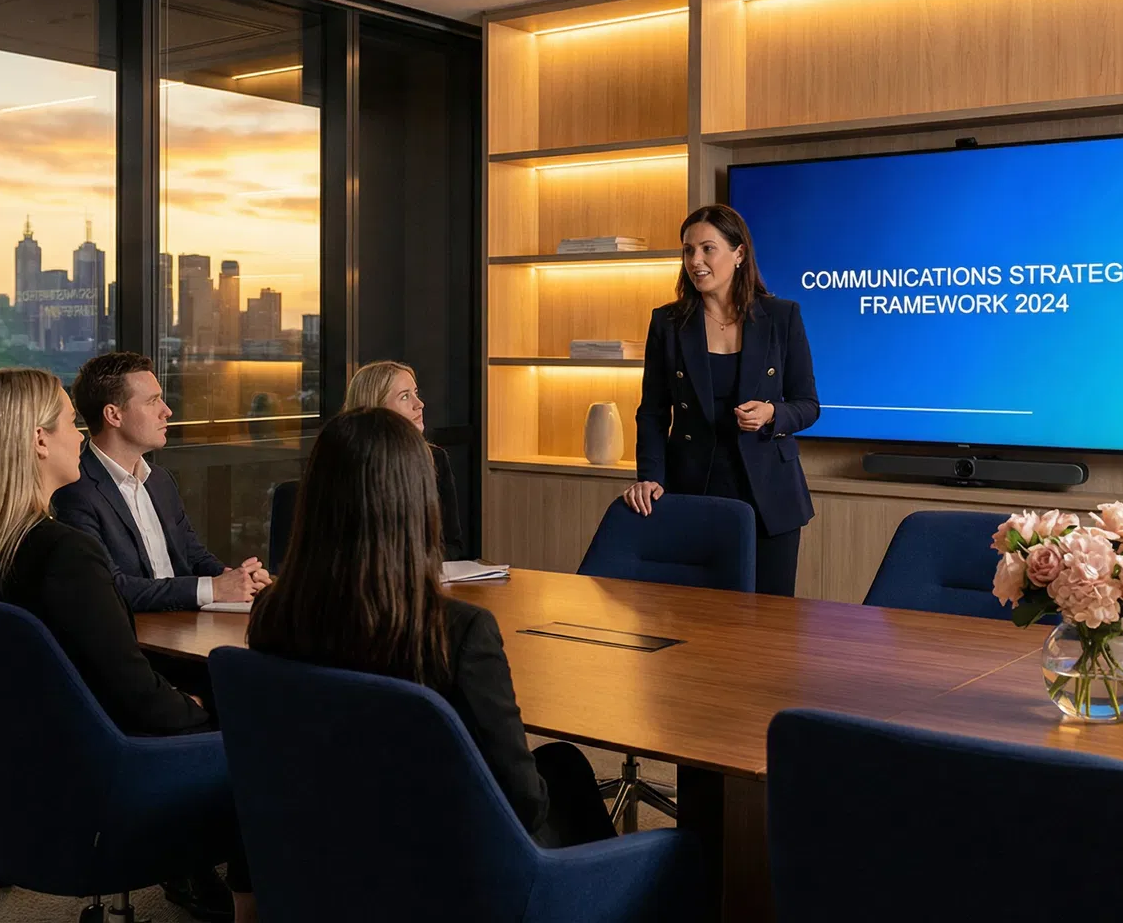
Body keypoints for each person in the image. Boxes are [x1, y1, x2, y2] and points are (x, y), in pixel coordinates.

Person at [0, 367, 249, 923]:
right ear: (38, 440)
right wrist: (200, 712)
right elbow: (133, 695)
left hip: (30, 780)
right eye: (72, 422)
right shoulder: (61, 554)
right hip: (109, 773)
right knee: (260, 732)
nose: (81, 435)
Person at [249, 408, 614, 849]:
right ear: (417, 503)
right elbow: (523, 805)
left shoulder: (272, 614)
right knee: (670, 853)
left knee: (563, 763)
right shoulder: (456, 632)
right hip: (449, 863)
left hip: (333, 839)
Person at [623, 204, 820, 597]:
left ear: (739, 253)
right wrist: (649, 477)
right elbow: (652, 412)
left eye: (707, 249)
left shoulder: (782, 317)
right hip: (693, 486)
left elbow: (808, 404)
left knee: (769, 626)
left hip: (770, 496)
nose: (695, 261)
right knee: (694, 617)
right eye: (687, 250)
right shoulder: (667, 323)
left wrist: (772, 413)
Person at [52, 351, 269, 612]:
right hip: (141, 635)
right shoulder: (75, 490)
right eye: (153, 401)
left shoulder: (160, 480)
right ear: (114, 415)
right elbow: (111, 587)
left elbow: (192, 555)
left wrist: (239, 580)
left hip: (183, 622)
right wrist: (214, 588)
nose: (167, 411)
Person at [342, 360, 465, 560]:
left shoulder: (435, 459)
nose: (419, 404)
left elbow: (453, 546)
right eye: (405, 396)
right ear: (377, 408)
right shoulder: (346, 464)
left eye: (416, 393)